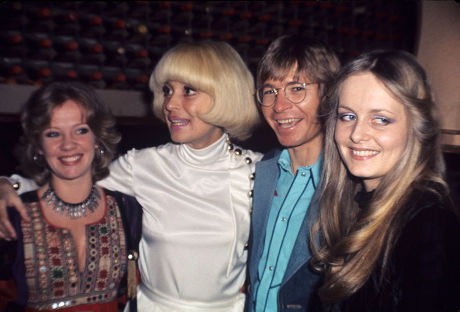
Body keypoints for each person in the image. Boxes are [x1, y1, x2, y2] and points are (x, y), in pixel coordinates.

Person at [0, 40, 263, 311]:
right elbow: (69, 184)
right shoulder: (144, 164)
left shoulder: (258, 172)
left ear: (225, 95)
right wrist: (9, 184)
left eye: (188, 91)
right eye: (167, 90)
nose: (170, 103)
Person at [309, 49, 460, 311]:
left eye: (380, 119)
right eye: (348, 116)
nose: (357, 134)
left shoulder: (430, 228)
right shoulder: (356, 207)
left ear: (417, 128)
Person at [0, 81, 143, 311]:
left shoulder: (128, 210)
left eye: (81, 130)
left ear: (97, 139)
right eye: (53, 133)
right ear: (38, 146)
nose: (68, 145)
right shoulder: (12, 215)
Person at [246, 34, 340, 311]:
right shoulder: (263, 172)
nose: (279, 106)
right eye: (270, 91)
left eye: (296, 89)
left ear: (328, 94)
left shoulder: (349, 189)